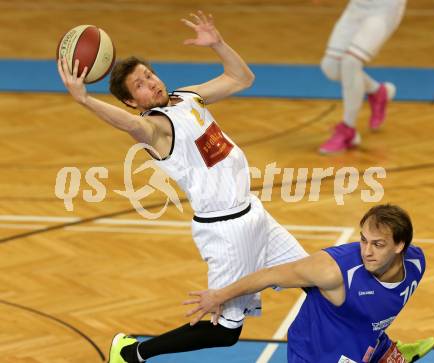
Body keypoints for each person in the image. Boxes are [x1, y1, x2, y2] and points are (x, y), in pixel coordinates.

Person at [58, 10, 310, 363]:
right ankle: (132, 353)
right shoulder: (154, 129)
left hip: (254, 212)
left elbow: (242, 78)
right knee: (225, 334)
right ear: (132, 101)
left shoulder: (187, 97)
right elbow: (129, 125)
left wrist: (218, 44)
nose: (152, 83)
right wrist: (84, 99)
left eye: (149, 75)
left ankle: (373, 351)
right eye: (140, 85)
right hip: (226, 230)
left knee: (316, 280)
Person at [185, 204, 434, 362]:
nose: (367, 251)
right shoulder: (332, 270)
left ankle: (389, 352)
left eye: (378, 244)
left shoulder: (415, 264)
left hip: (363, 343)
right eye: (363, 240)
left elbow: (374, 307)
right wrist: (219, 296)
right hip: (315, 352)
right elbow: (268, 275)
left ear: (400, 246)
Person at [318, 0, 434, 154]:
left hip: (385, 9)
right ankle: (378, 92)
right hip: (356, 7)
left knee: (351, 62)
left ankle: (348, 130)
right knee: (331, 67)